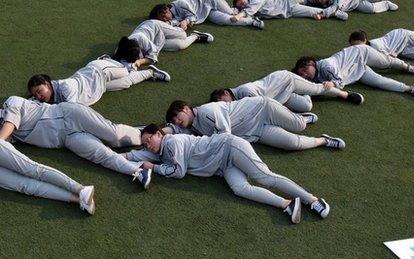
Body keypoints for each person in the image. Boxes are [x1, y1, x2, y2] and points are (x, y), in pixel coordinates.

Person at [125, 125, 331, 223]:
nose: (148, 146)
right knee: (240, 189)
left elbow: (178, 172)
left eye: (149, 140)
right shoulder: (162, 151)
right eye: (145, 144)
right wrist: (121, 156)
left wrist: (152, 167)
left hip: (230, 147)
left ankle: (313, 200)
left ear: (159, 134)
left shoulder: (172, 142)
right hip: (222, 166)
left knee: (264, 176)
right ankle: (287, 204)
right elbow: (140, 154)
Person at [0, 96, 152, 187]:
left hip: (70, 115)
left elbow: (9, 126)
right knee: (102, 155)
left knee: (114, 136)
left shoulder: (11, 103)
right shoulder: (4, 134)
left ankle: (155, 134)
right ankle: (138, 171)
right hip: (67, 139)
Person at [164, 98, 346, 152]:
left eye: (177, 116)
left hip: (262, 108)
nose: (178, 121)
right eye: (175, 121)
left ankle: (302, 116)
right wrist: (163, 130)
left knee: (299, 126)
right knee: (292, 144)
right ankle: (323, 140)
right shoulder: (193, 126)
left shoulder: (207, 111)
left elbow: (225, 135)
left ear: (186, 109)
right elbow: (176, 130)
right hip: (255, 132)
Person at [293, 44, 414, 99]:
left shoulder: (327, 66)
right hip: (355, 72)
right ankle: (412, 88)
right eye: (302, 74)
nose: (305, 74)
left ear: (312, 63)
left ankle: (407, 66)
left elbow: (339, 83)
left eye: (305, 69)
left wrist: (332, 84)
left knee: (386, 62)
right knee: (379, 81)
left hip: (361, 53)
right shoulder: (313, 76)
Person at [26, 57, 169, 107]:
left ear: (47, 83)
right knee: (126, 83)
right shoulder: (47, 95)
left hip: (99, 70)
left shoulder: (65, 87)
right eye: (36, 94)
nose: (39, 96)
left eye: (39, 91)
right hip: (98, 87)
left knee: (126, 70)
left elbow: (70, 110)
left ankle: (117, 61)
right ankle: (151, 72)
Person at [209, 69, 364, 113]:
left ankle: (345, 94)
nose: (223, 105)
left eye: (222, 102)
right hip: (279, 96)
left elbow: (263, 105)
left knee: (317, 89)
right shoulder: (236, 98)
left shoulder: (244, 91)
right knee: (306, 107)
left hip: (285, 80)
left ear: (225, 94)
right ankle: (306, 87)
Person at [127, 3, 214, 63]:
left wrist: (139, 62)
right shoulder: (125, 46)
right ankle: (196, 36)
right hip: (157, 37)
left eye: (165, 14)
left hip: (155, 27)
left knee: (183, 34)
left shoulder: (141, 39)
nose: (165, 18)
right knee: (179, 45)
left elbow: (152, 57)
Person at [349, 11, 414, 61]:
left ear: (364, 40)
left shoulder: (376, 46)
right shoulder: (367, 49)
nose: (355, 47)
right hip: (397, 46)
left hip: (402, 36)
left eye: (356, 44)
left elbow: (387, 59)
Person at [171, 0, 265, 29]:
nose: (165, 19)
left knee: (230, 12)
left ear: (167, 10)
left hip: (209, 1)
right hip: (204, 12)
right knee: (223, 20)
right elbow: (176, 21)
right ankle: (251, 21)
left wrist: (186, 21)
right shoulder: (172, 15)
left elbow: (192, 17)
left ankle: (242, 13)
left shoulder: (180, 4)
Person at [234, 0, 343, 22]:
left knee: (317, 1)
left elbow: (250, 9)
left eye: (241, 1)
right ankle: (337, 13)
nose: (243, 3)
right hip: (289, 11)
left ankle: (337, 4)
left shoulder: (255, 2)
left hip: (288, 1)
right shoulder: (254, 11)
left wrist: (241, 14)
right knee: (314, 13)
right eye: (241, 5)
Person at [312, 0, 398, 16]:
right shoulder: (327, 3)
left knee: (372, 6)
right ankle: (386, 4)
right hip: (354, 4)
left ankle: (386, 3)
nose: (320, 1)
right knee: (371, 9)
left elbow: (337, 6)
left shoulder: (336, 2)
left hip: (354, 2)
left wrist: (322, 14)